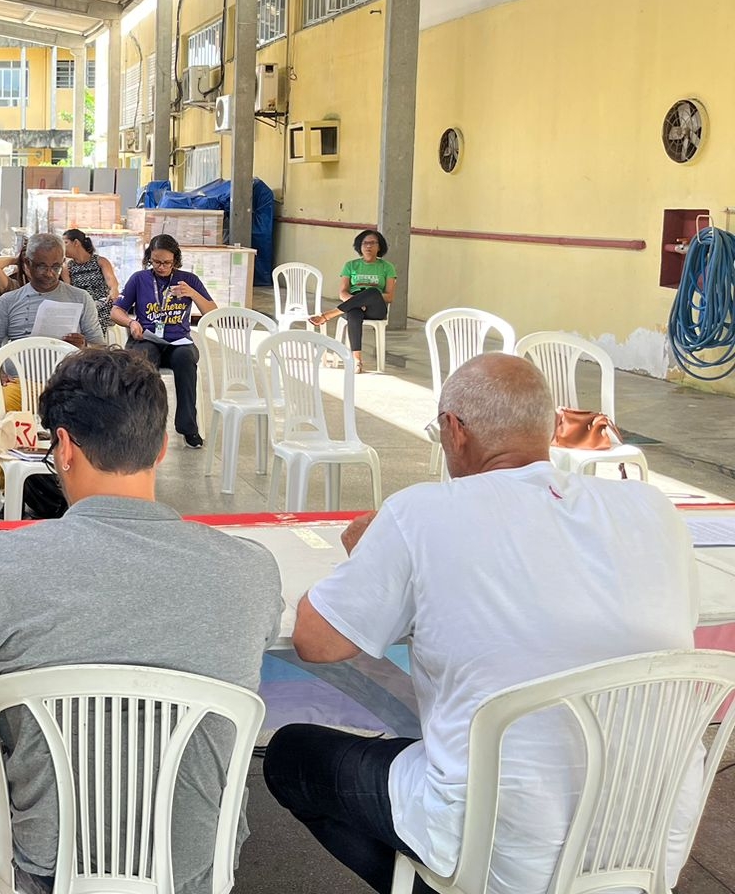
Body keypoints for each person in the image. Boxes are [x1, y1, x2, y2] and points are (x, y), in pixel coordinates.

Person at [264, 354, 701, 894]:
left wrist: (369, 557)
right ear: (550, 427)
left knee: (291, 757)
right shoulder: (653, 510)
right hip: (653, 837)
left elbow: (316, 641)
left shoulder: (420, 513)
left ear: (454, 429)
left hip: (501, 851)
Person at [0, 348, 282, 894]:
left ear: (63, 447)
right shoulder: (252, 569)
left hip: (46, 865)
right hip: (194, 867)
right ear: (161, 446)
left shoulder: (3, 564)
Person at [0, 233, 104, 442]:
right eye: (41, 266)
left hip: (67, 385)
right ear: (27, 264)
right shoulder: (9, 302)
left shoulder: (80, 298)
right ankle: (8, 464)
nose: (49, 273)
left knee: (98, 416)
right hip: (20, 383)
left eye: (56, 267)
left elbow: (101, 348)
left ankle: (71, 462)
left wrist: (84, 345)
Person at [110, 233, 215, 449]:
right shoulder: (139, 279)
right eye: (156, 261)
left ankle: (188, 427)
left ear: (175, 260)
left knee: (186, 359)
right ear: (149, 258)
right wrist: (131, 323)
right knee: (143, 361)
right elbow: (116, 311)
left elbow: (212, 312)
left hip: (178, 341)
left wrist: (192, 293)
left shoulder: (188, 280)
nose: (161, 267)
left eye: (167, 262)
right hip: (147, 338)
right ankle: (143, 426)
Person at [309, 229, 396, 373]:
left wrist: (366, 300)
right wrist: (358, 302)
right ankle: (357, 360)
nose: (368, 246)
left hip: (376, 307)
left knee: (373, 292)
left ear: (379, 246)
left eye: (373, 243)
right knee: (354, 315)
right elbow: (343, 292)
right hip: (353, 304)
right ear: (359, 246)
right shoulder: (350, 265)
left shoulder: (387, 267)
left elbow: (389, 296)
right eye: (365, 243)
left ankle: (330, 315)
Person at [60, 228, 117, 336]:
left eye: (66, 243)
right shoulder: (67, 267)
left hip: (101, 303)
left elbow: (112, 281)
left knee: (96, 311)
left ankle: (95, 340)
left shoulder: (100, 261)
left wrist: (114, 291)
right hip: (81, 305)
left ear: (76, 242)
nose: (63, 247)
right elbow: (68, 290)